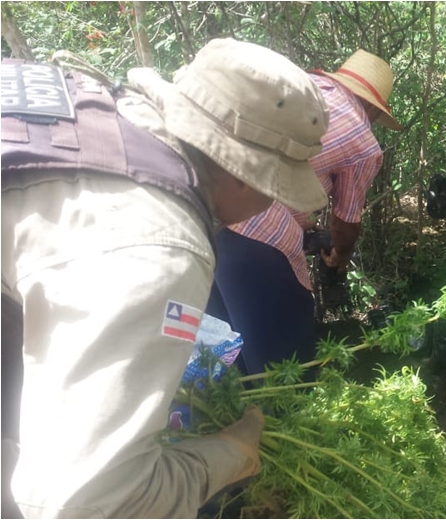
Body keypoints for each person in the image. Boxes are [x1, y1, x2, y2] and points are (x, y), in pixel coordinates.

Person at [1, 38, 330, 517]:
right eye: (276, 186)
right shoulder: (159, 248)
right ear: (243, 174)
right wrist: (232, 454)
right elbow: (91, 505)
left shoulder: (98, 110)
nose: (275, 200)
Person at [205, 49, 401, 374]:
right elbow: (346, 222)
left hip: (208, 216)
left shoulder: (302, 87)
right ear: (370, 106)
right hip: (257, 237)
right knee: (285, 363)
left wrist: (302, 223)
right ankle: (291, 419)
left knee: (226, 349)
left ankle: (239, 418)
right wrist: (339, 254)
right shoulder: (363, 141)